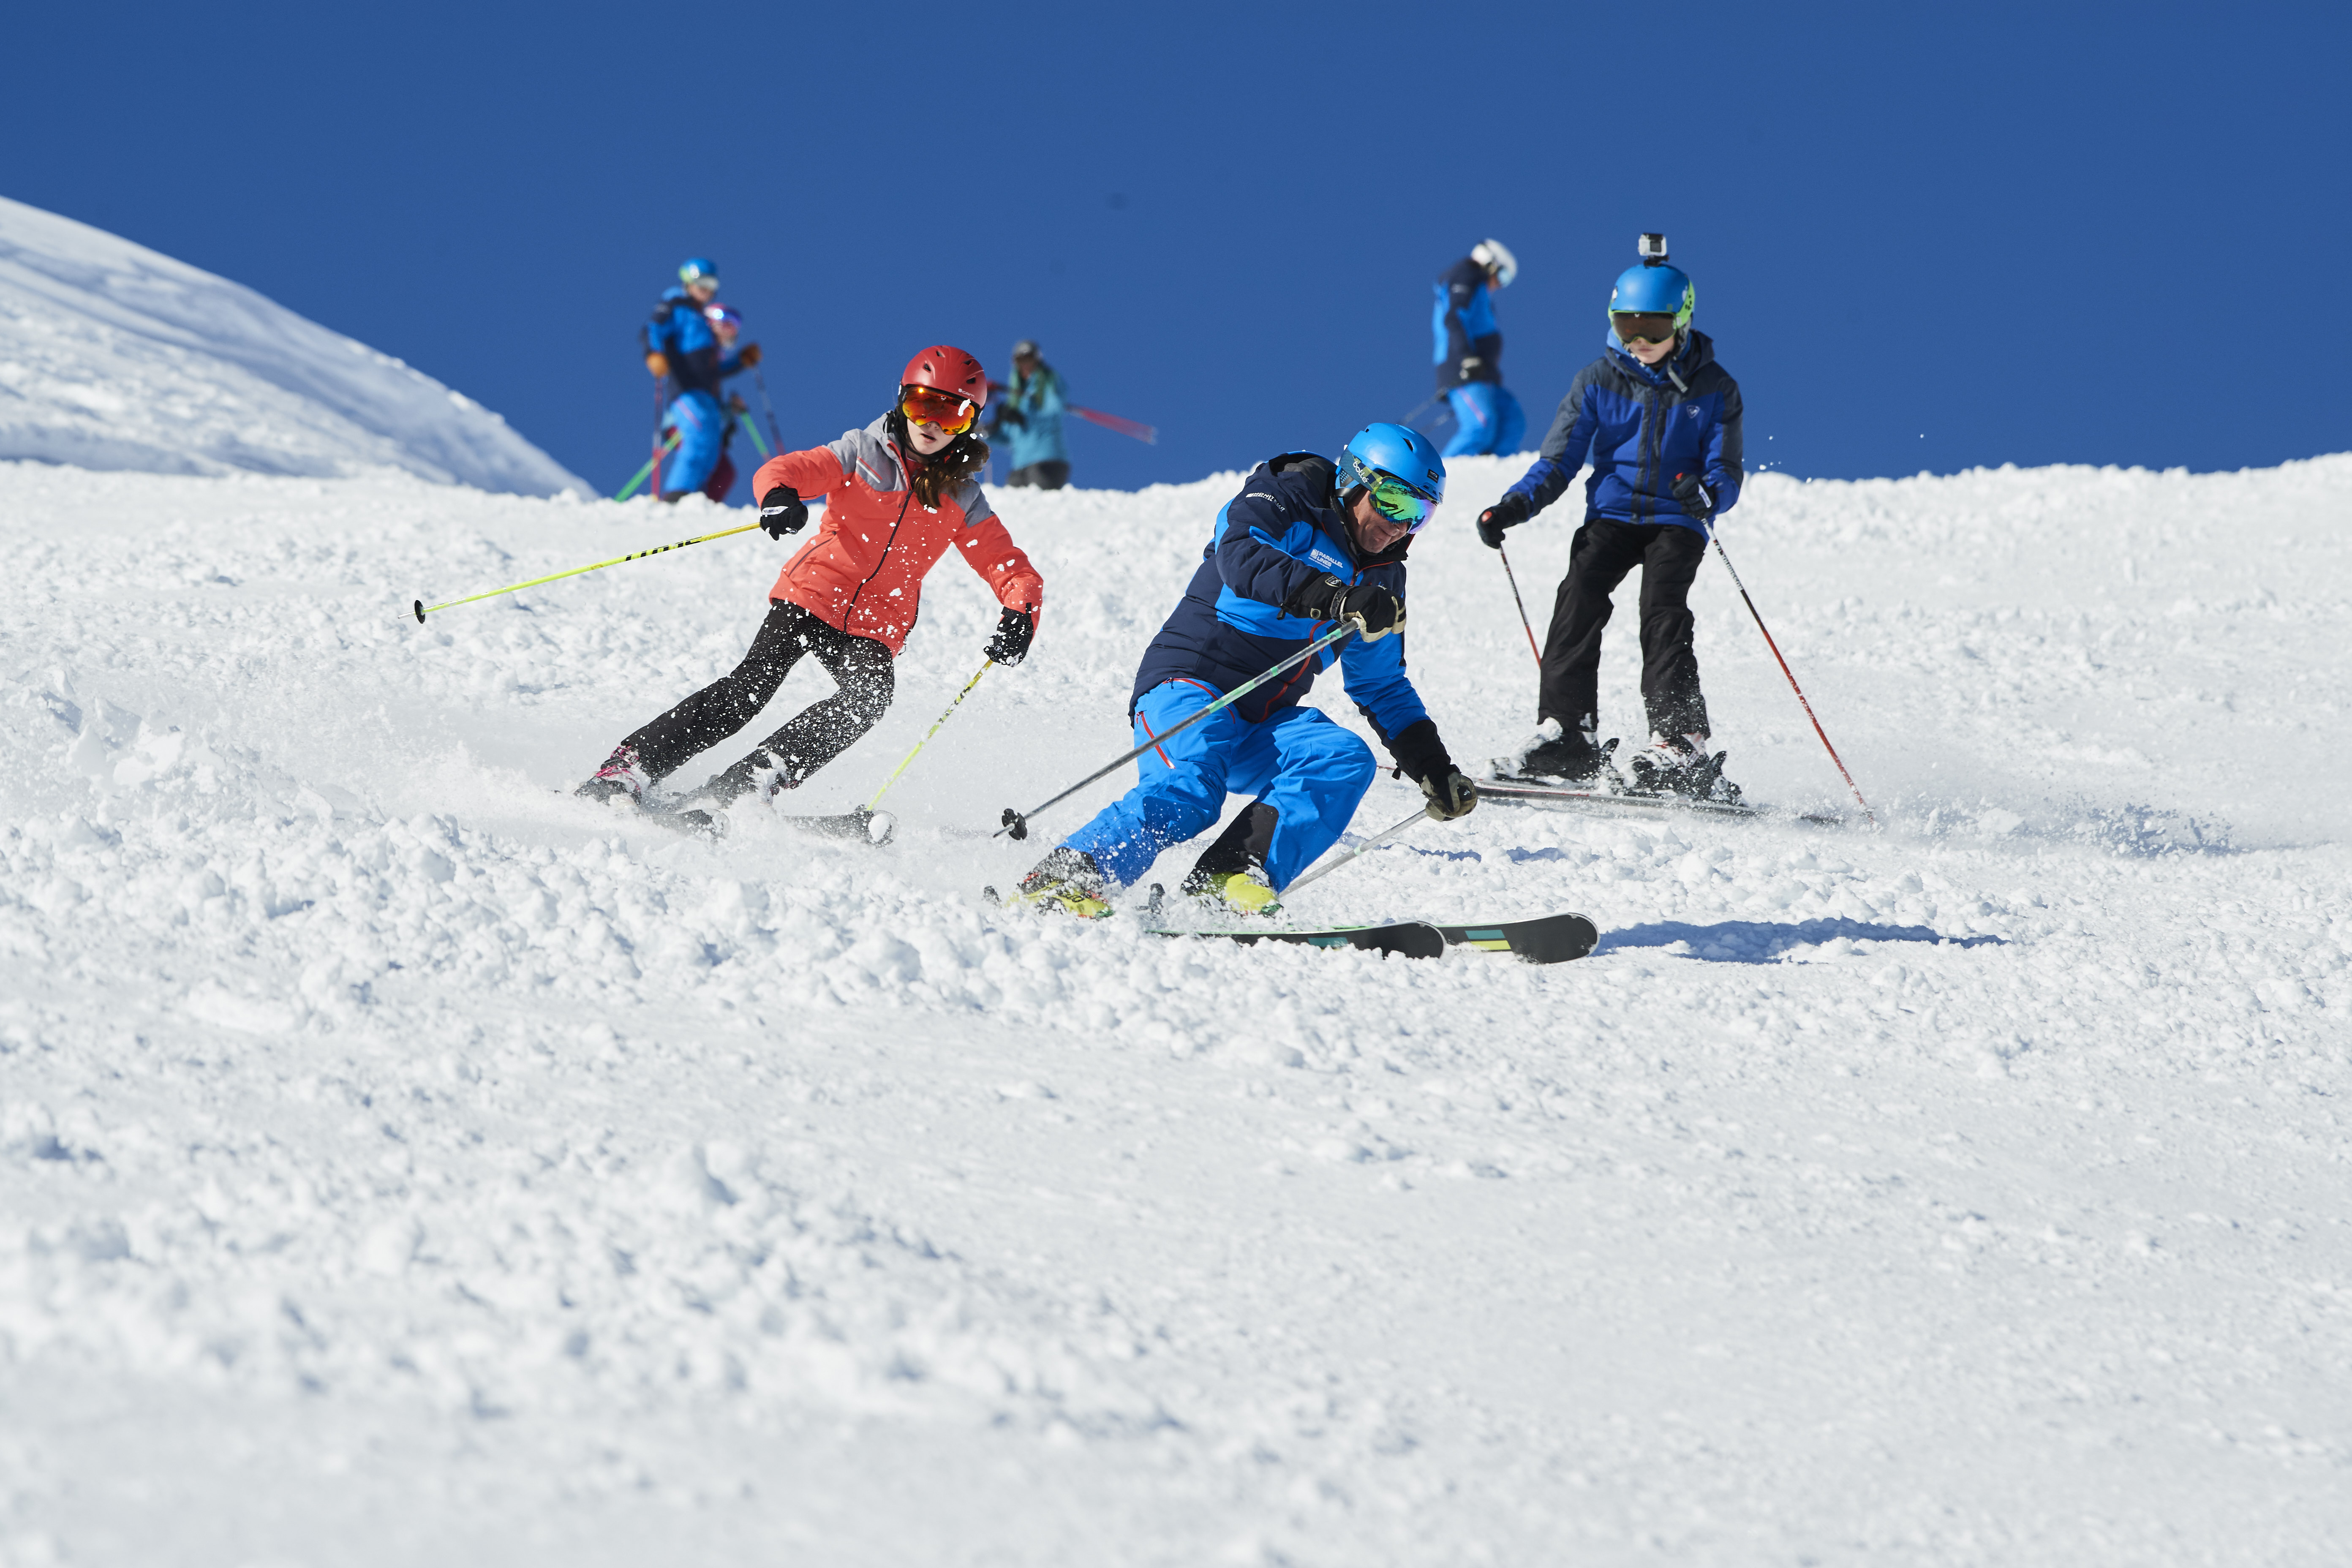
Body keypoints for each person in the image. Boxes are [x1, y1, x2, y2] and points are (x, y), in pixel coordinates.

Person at [1013, 422, 1479, 919]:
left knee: (1342, 759)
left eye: (1419, 516)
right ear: (1354, 481)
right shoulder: (1290, 494)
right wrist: (1336, 597)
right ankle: (1067, 876)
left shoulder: (1384, 577)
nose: (1399, 526)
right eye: (1393, 503)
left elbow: (1380, 683)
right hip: (1192, 682)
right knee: (1190, 790)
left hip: (1261, 720)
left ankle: (1231, 875)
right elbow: (1241, 556)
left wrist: (1434, 767)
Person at [577, 346, 1044, 811]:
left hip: (876, 622)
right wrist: (779, 495)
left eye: (953, 415)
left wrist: (1021, 611)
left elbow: (1009, 565)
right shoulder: (862, 452)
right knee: (748, 690)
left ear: (970, 423)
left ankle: (743, 786)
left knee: (867, 700)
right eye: (923, 405)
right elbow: (787, 471)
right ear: (902, 401)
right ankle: (629, 768)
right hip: (814, 592)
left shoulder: (962, 496)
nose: (932, 425)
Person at [1476, 239, 1745, 800]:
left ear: (1684, 320)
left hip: (1677, 519)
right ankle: (1567, 733)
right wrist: (1514, 506)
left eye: (1654, 328)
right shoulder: (1598, 380)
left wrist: (1709, 494)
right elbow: (1560, 460)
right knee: (1579, 594)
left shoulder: (1714, 388)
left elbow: (1726, 470)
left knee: (1662, 608)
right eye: (1628, 328)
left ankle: (1679, 741)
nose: (1641, 342)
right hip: (1613, 514)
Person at [640, 258, 762, 503]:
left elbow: (713, 371)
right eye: (700, 282)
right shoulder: (678, 306)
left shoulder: (701, 324)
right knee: (699, 438)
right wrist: (653, 353)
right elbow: (653, 328)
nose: (706, 288)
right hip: (687, 390)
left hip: (706, 396)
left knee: (712, 449)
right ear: (687, 281)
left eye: (711, 283)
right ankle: (676, 497)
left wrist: (741, 361)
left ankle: (696, 500)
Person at [1432, 240, 1526, 459]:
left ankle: (1489, 477)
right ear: (1491, 263)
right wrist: (1466, 358)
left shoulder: (1479, 287)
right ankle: (1445, 479)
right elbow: (1454, 317)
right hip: (1463, 367)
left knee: (1512, 421)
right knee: (1481, 424)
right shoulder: (1467, 275)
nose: (1500, 285)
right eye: (1503, 277)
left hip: (1483, 373)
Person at [987, 339, 1071, 489]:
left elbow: (1054, 411)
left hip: (1046, 461)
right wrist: (989, 431)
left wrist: (1024, 417)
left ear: (1038, 360)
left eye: (1030, 360)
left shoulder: (1047, 381)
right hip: (1020, 465)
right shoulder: (1015, 400)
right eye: (1021, 360)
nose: (1026, 365)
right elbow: (1008, 436)